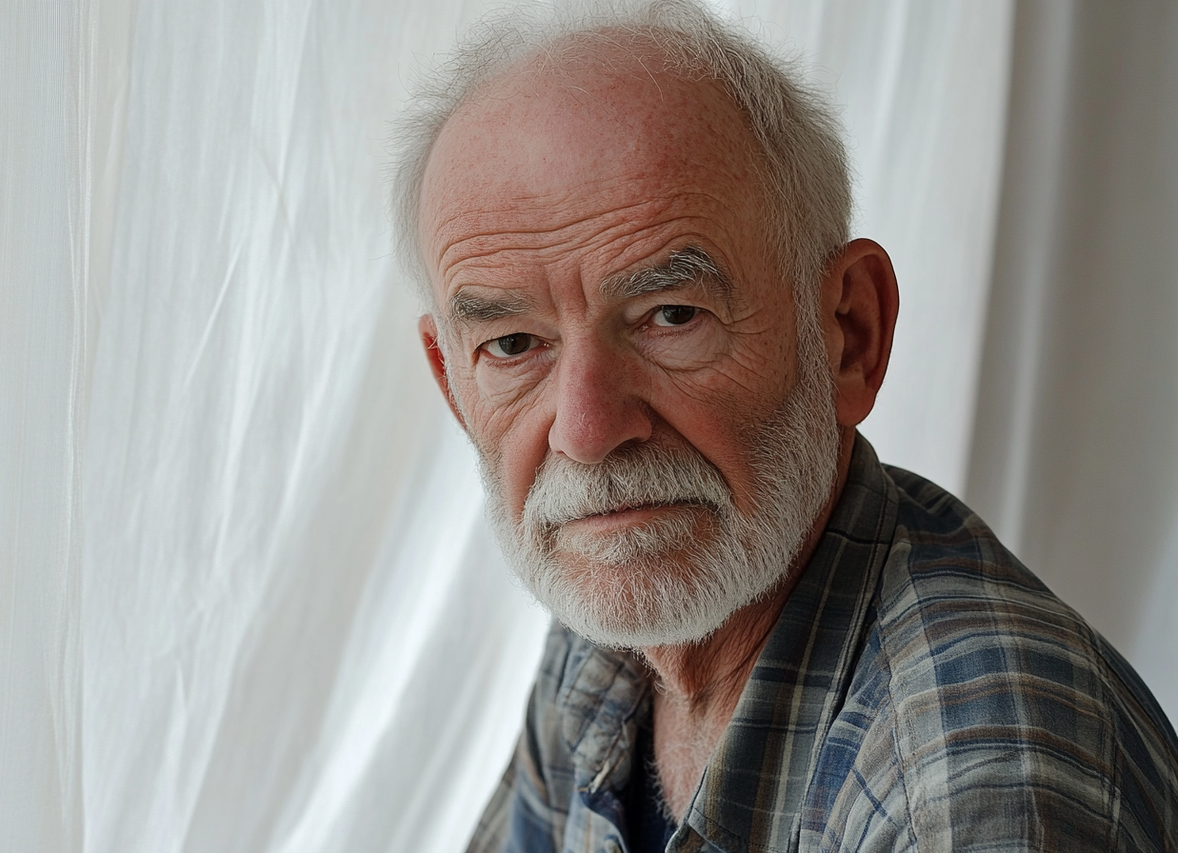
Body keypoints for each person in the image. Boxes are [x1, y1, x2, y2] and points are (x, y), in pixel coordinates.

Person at [390, 1, 1178, 850]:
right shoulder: (619, 621)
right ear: (451, 383)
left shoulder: (974, 789)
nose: (586, 431)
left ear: (848, 333)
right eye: (512, 343)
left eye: (671, 314)